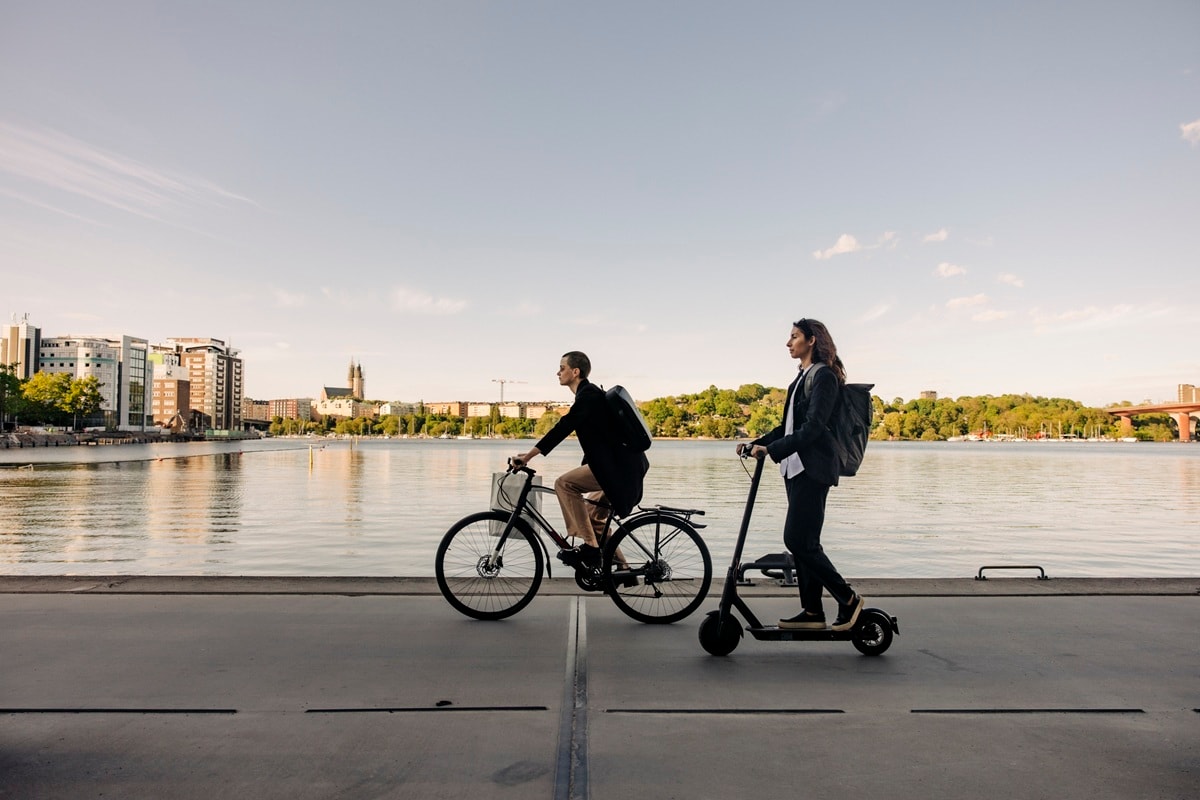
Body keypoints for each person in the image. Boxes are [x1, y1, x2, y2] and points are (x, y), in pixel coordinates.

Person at [738, 318, 865, 632]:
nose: (788, 342)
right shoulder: (800, 380)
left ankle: (848, 599)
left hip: (814, 468)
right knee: (804, 541)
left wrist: (772, 450)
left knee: (797, 538)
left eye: (794, 336)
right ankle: (812, 612)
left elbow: (813, 429)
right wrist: (757, 443)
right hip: (795, 470)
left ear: (812, 340)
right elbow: (788, 428)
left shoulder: (823, 377)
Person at [514, 351, 649, 570]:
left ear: (575, 372)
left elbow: (564, 426)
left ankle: (591, 548)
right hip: (623, 466)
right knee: (591, 517)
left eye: (562, 368)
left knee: (564, 484)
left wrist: (528, 456)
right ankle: (623, 570)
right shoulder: (589, 395)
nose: (558, 372)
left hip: (618, 469)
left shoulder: (588, 396)